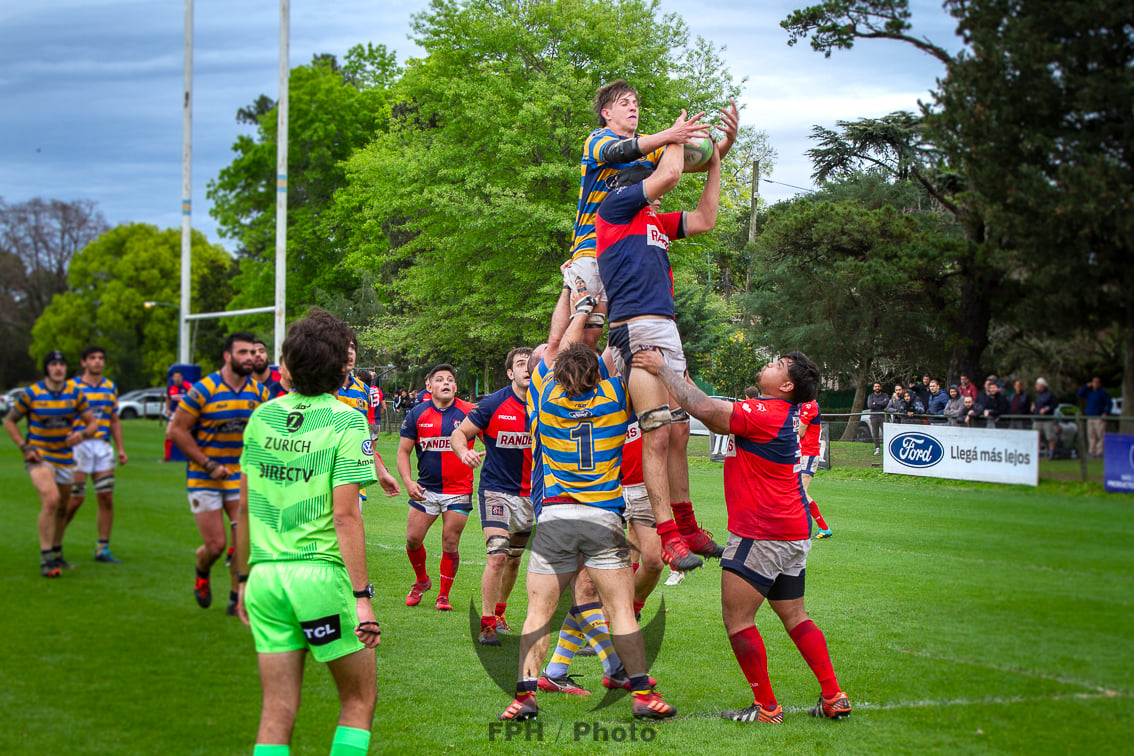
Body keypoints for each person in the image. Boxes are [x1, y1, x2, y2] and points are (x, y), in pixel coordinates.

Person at [633, 347, 851, 724]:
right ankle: (834, 696)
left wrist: (661, 368)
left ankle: (766, 707)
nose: (769, 364)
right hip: (791, 529)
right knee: (795, 616)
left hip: (761, 531)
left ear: (787, 385)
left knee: (738, 620)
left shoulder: (767, 412)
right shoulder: (778, 412)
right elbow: (702, 402)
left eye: (778, 365)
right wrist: (678, 372)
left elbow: (707, 410)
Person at [498, 295, 674, 722]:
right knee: (621, 610)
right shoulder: (615, 397)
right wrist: (620, 312)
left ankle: (523, 697)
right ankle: (641, 694)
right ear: (598, 374)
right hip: (603, 518)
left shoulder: (544, 395)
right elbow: (618, 361)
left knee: (538, 613)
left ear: (556, 373)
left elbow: (557, 346)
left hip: (556, 517)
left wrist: (580, 308)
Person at [234, 309, 382, 756]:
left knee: (275, 710)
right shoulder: (346, 420)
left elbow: (243, 508)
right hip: (317, 579)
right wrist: (361, 597)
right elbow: (346, 516)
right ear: (342, 367)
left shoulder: (263, 416)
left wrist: (241, 581)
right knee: (358, 700)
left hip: (265, 580)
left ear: (288, 363)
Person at [595, 107, 734, 572]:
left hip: (665, 328)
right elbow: (671, 172)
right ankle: (668, 534)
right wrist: (678, 134)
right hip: (634, 329)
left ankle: (686, 524)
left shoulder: (655, 222)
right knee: (655, 432)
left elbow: (706, 218)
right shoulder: (614, 209)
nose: (658, 196)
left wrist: (715, 160)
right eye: (651, 189)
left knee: (678, 430)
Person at [550, 79, 735, 349]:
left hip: (623, 248)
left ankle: (602, 376)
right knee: (580, 334)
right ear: (606, 113)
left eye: (635, 103)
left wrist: (727, 141)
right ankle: (552, 374)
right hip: (591, 243)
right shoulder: (598, 139)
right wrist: (671, 135)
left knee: (609, 331)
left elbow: (698, 162)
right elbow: (621, 151)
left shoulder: (653, 148)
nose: (633, 108)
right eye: (624, 103)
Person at [169, 332, 270, 615]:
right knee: (215, 546)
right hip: (205, 477)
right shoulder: (203, 390)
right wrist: (208, 464)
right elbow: (176, 430)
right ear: (227, 356)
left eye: (253, 353)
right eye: (243, 353)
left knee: (241, 540)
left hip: (240, 477)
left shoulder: (260, 393)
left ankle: (235, 597)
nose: (250, 358)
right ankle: (202, 570)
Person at [449, 348, 535, 646]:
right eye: (520, 364)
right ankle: (487, 624)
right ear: (510, 373)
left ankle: (499, 613)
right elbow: (459, 434)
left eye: (531, 363)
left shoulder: (547, 404)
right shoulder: (493, 403)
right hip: (495, 490)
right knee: (498, 555)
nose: (527, 368)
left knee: (513, 559)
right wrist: (464, 452)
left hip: (530, 495)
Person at [4, 350, 97, 577]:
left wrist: (82, 434)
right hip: (39, 455)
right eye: (54, 365)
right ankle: (46, 559)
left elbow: (92, 423)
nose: (58, 369)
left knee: (63, 507)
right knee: (51, 500)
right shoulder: (31, 394)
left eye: (62, 364)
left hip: (64, 456)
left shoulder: (75, 394)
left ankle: (56, 552)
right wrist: (24, 447)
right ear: (46, 368)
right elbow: (10, 421)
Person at [397, 364, 475, 611]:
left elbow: (490, 439)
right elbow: (403, 452)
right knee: (412, 539)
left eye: (450, 379)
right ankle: (422, 581)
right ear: (429, 386)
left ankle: (443, 596)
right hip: (426, 489)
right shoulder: (417, 414)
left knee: (450, 542)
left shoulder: (469, 412)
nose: (446, 383)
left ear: (456, 387)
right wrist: (408, 482)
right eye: (440, 379)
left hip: (459, 489)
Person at [63, 345, 128, 563]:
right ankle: (54, 540)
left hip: (102, 445)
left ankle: (102, 548)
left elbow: (114, 420)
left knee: (106, 497)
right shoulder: (71, 386)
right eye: (92, 358)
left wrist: (120, 449)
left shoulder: (110, 387)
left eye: (101, 358)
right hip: (78, 446)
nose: (97, 361)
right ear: (84, 362)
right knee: (75, 499)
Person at [797, 399, 832, 539]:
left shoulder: (809, 405)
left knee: (801, 493)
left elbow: (800, 432)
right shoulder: (799, 404)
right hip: (801, 453)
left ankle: (824, 527)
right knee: (795, 491)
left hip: (808, 453)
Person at [1077, 376, 1111, 457]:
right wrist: (1086, 386)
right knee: (1091, 435)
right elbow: (1080, 394)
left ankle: (1099, 451)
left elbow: (1108, 403)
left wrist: (1105, 412)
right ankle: (1092, 451)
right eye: (1093, 382)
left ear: (1099, 383)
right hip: (1090, 416)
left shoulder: (1103, 393)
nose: (1094, 384)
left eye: (1096, 382)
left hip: (1099, 416)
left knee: (1100, 435)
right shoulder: (1089, 392)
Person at [164, 369, 193, 461]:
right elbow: (168, 398)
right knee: (168, 433)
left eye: (179, 377)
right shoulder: (171, 388)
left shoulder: (188, 386)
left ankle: (191, 456)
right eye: (175, 377)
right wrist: (167, 409)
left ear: (182, 377)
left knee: (188, 434)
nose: (177, 379)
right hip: (175, 414)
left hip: (186, 413)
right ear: (173, 378)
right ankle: (167, 458)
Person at [1032, 378, 1059, 456]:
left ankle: (1051, 452)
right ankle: (1038, 451)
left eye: (1037, 385)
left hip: (1047, 419)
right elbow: (1037, 403)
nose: (1036, 386)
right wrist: (1034, 406)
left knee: (1050, 436)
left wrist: (1046, 409)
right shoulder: (1038, 395)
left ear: (1042, 385)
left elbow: (1055, 404)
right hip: (1038, 419)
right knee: (1036, 435)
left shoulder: (1050, 394)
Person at [866, 382, 888, 454]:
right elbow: (870, 405)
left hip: (883, 416)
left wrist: (876, 403)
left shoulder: (885, 395)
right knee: (875, 433)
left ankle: (887, 448)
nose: (877, 388)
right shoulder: (871, 396)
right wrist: (880, 403)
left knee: (885, 432)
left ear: (881, 387)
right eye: (875, 386)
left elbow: (886, 403)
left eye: (878, 386)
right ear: (873, 388)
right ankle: (877, 448)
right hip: (874, 417)